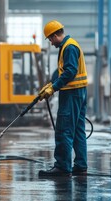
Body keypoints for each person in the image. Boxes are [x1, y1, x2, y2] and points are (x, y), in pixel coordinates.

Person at [38, 20, 88, 177]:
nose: (51, 43)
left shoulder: (69, 47)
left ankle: (62, 166)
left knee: (64, 130)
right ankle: (80, 165)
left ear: (54, 35)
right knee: (78, 130)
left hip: (71, 93)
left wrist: (54, 87)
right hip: (78, 92)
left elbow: (70, 71)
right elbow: (63, 71)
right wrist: (51, 84)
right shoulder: (69, 45)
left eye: (50, 39)